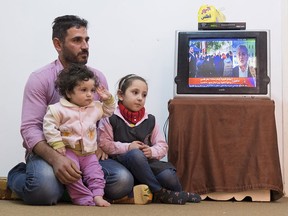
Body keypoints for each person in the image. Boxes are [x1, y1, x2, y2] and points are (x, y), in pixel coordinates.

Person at [7, 15, 140, 205]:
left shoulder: (97, 78)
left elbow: (102, 117)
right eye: (77, 40)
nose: (85, 46)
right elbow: (30, 129)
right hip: (52, 151)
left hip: (86, 153)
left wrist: (101, 144)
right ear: (58, 44)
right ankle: (17, 176)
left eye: (86, 40)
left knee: (122, 181)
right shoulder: (39, 79)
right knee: (43, 189)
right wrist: (56, 159)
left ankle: (67, 187)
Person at [97, 74, 202, 205]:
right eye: (135, 93)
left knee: (169, 177)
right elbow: (104, 144)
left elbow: (162, 146)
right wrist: (128, 147)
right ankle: (158, 191)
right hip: (118, 161)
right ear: (121, 95)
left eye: (144, 95)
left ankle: (172, 193)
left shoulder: (150, 119)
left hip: (144, 163)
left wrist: (151, 151)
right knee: (135, 154)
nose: (140, 98)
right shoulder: (110, 117)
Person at [43, 64, 114, 206]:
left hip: (89, 153)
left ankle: (98, 195)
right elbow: (49, 126)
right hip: (69, 151)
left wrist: (108, 99)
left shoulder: (94, 107)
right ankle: (81, 196)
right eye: (83, 90)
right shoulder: (58, 109)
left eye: (92, 90)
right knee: (72, 175)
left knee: (96, 174)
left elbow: (109, 111)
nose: (90, 94)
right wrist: (57, 143)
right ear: (69, 92)